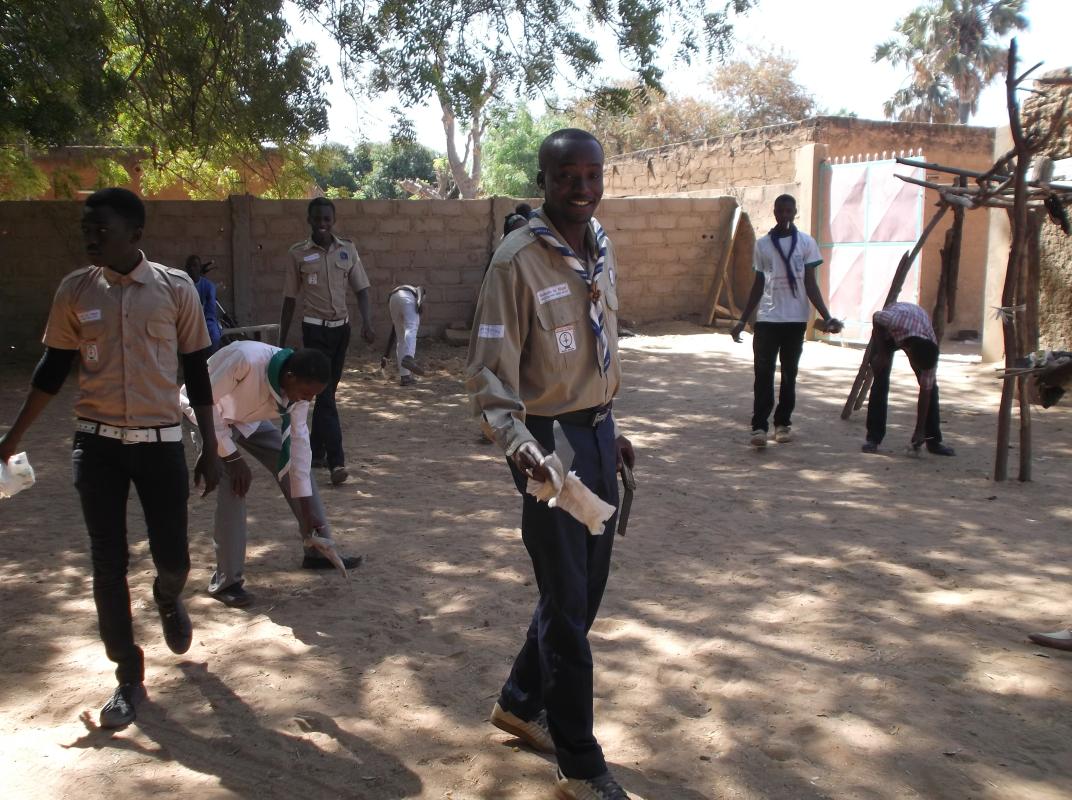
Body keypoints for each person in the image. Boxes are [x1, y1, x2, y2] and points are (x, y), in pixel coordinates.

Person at [0, 188, 220, 729]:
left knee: (175, 558)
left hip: (161, 442)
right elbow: (52, 371)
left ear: (135, 234)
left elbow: (196, 371)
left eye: (101, 228)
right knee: (107, 562)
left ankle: (168, 597)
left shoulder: (175, 289)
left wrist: (211, 448)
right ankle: (127, 675)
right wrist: (10, 438)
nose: (90, 236)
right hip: (95, 445)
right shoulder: (75, 290)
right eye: (86, 228)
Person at [467, 129, 636, 800]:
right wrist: (520, 445)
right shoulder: (515, 263)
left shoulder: (599, 249)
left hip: (594, 436)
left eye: (592, 175)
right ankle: (579, 758)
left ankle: (517, 698)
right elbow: (487, 377)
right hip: (547, 449)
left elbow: (597, 352)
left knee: (583, 595)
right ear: (543, 180)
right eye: (567, 176)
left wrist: (610, 425)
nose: (583, 188)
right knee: (567, 604)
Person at [180, 341, 363, 608]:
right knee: (235, 485)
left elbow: (298, 446)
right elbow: (201, 403)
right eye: (306, 393)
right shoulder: (245, 359)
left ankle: (317, 547)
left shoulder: (298, 388)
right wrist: (231, 457)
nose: (307, 400)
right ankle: (226, 582)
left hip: (247, 418)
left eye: (313, 396)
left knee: (298, 469)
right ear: (289, 378)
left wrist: (307, 511)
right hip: (206, 417)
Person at [731, 194, 841, 447]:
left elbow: (810, 284)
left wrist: (827, 316)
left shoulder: (806, 243)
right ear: (774, 212)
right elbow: (758, 284)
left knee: (790, 374)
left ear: (794, 212)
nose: (783, 215)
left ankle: (783, 424)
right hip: (768, 318)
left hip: (795, 319)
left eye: (788, 210)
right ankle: (759, 427)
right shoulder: (763, 245)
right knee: (763, 373)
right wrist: (743, 319)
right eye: (779, 210)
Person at [279, 198, 375, 485]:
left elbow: (362, 289)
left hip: (340, 331)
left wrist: (367, 323)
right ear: (309, 220)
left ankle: (318, 452)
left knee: (326, 392)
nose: (322, 224)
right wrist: (281, 339)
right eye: (317, 219)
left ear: (333, 220)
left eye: (327, 219)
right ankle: (337, 462)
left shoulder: (347, 250)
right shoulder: (297, 254)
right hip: (314, 332)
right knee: (328, 395)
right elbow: (289, 298)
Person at [861, 301, 955, 456]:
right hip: (888, 330)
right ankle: (873, 439)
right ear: (909, 353)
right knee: (880, 380)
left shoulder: (929, 346)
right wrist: (883, 354)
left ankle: (933, 441)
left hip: (916, 329)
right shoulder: (894, 321)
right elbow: (877, 317)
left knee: (932, 389)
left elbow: (925, 391)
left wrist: (919, 430)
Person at [384, 284, 426, 386]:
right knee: (411, 327)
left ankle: (405, 377)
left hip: (392, 299)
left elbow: (392, 333)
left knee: (401, 339)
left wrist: (386, 355)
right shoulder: (415, 291)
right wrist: (419, 302)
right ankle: (408, 357)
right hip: (406, 298)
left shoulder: (403, 290)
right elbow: (421, 289)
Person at [183, 255, 222, 352]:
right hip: (187, 322)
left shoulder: (208, 286)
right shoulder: (182, 286)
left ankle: (211, 362)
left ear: (200, 268)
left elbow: (210, 312)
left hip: (206, 321)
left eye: (195, 265)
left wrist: (201, 323)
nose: (192, 268)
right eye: (189, 266)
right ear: (186, 269)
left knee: (214, 335)